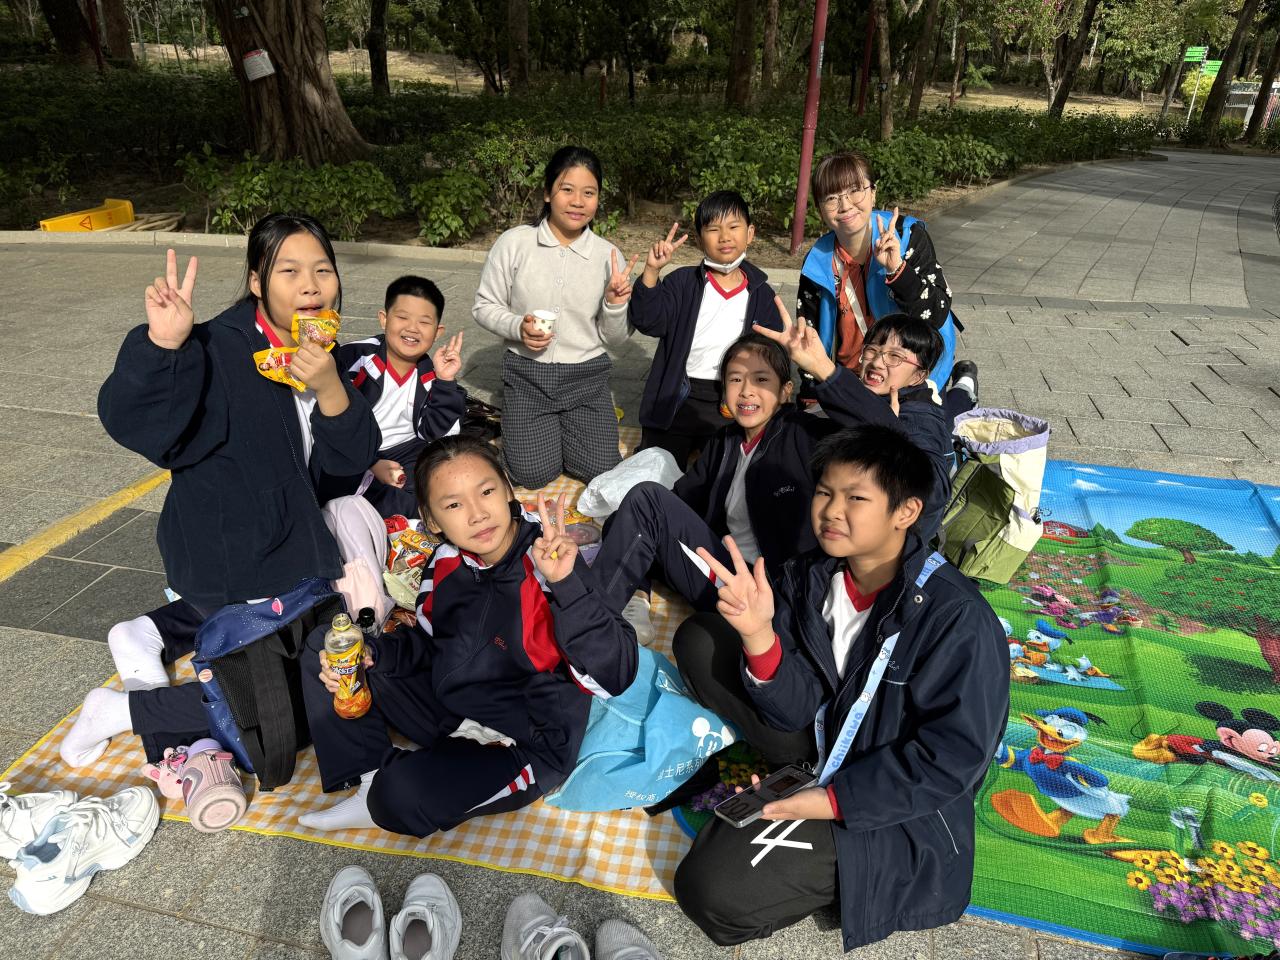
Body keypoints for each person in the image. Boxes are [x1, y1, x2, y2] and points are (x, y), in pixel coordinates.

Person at [671, 425, 1009, 951]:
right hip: (824, 739)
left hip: (894, 803)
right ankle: (799, 786)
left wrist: (829, 801)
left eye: (856, 498)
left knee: (709, 891)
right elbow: (801, 704)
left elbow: (950, 761)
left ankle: (845, 871)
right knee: (702, 638)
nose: (831, 511)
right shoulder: (810, 575)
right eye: (825, 492)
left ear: (906, 512)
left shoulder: (958, 619)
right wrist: (759, 634)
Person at [60, 214, 381, 768]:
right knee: (296, 713)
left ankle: (152, 631)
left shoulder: (321, 352)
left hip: (290, 548)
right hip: (229, 554)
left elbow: (348, 464)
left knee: (339, 669)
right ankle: (117, 712)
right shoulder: (214, 347)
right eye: (289, 271)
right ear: (256, 281)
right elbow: (139, 426)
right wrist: (164, 345)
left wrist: (330, 386)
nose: (311, 286)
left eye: (323, 270)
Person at [296, 435, 638, 836]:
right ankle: (367, 774)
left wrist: (566, 585)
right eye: (454, 505)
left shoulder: (550, 560)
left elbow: (615, 674)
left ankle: (388, 787)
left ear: (508, 490)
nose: (477, 515)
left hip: (522, 742)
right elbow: (427, 643)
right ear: (431, 519)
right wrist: (372, 653)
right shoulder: (445, 560)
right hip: (449, 709)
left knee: (402, 794)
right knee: (332, 645)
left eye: (486, 492)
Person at [472, 145, 638, 489]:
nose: (578, 202)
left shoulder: (608, 255)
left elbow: (616, 338)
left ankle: (567, 432)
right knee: (531, 474)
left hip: (586, 381)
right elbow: (484, 306)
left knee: (600, 470)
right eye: (567, 189)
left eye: (589, 193)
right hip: (527, 378)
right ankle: (535, 433)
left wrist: (614, 304)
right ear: (547, 193)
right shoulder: (515, 243)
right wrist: (517, 327)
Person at [799, 149, 976, 417]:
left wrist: (898, 270)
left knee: (926, 431)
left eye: (855, 191)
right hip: (854, 379)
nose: (845, 205)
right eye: (831, 197)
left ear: (873, 192)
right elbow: (809, 335)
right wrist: (811, 394)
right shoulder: (817, 261)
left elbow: (937, 312)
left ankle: (964, 388)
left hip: (910, 377)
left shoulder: (907, 237)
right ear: (819, 207)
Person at [629, 191, 781, 469]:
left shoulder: (762, 294)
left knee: (725, 474)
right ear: (699, 239)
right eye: (713, 229)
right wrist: (651, 272)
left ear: (750, 233)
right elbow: (649, 322)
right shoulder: (682, 283)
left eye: (733, 227)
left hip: (731, 399)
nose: (724, 237)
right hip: (678, 395)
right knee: (655, 471)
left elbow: (772, 355)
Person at [333, 274, 466, 520]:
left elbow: (435, 434)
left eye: (424, 322)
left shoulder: (431, 374)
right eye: (402, 317)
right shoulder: (355, 359)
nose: (412, 328)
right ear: (384, 319)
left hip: (408, 452)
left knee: (451, 482)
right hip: (353, 452)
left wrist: (446, 382)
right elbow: (335, 422)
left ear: (437, 332)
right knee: (380, 500)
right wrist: (371, 463)